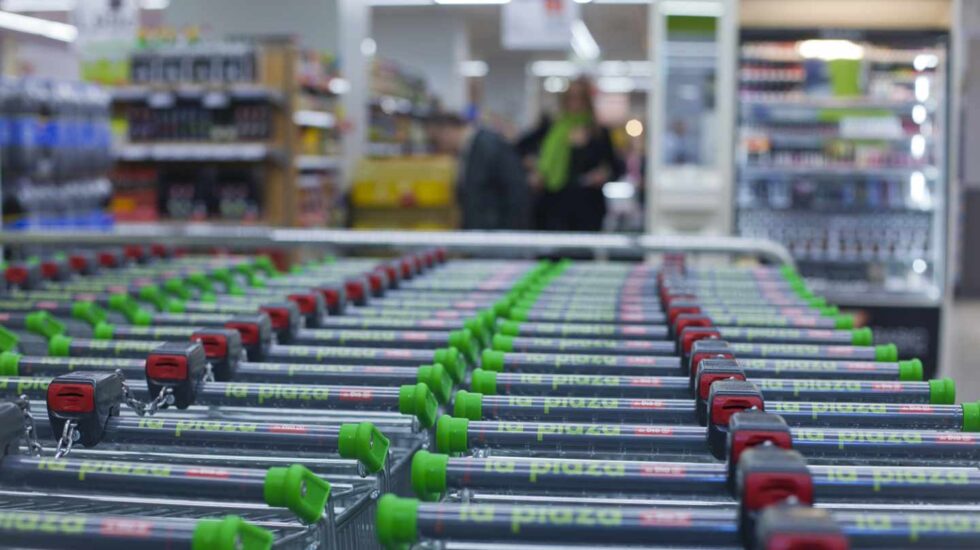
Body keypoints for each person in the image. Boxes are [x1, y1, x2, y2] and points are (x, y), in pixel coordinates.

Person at [533, 77, 622, 232]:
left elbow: (616, 166)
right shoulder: (553, 128)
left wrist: (603, 174)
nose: (575, 104)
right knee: (554, 252)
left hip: (587, 206)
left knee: (579, 253)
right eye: (570, 99)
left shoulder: (598, 133)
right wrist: (536, 168)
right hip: (554, 202)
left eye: (579, 99)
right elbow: (523, 147)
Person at [428, 112, 530, 230]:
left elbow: (517, 193)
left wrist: (508, 238)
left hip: (494, 237)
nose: (437, 147)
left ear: (447, 131)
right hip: (484, 235)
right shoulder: (468, 150)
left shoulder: (488, 146)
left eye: (435, 141)